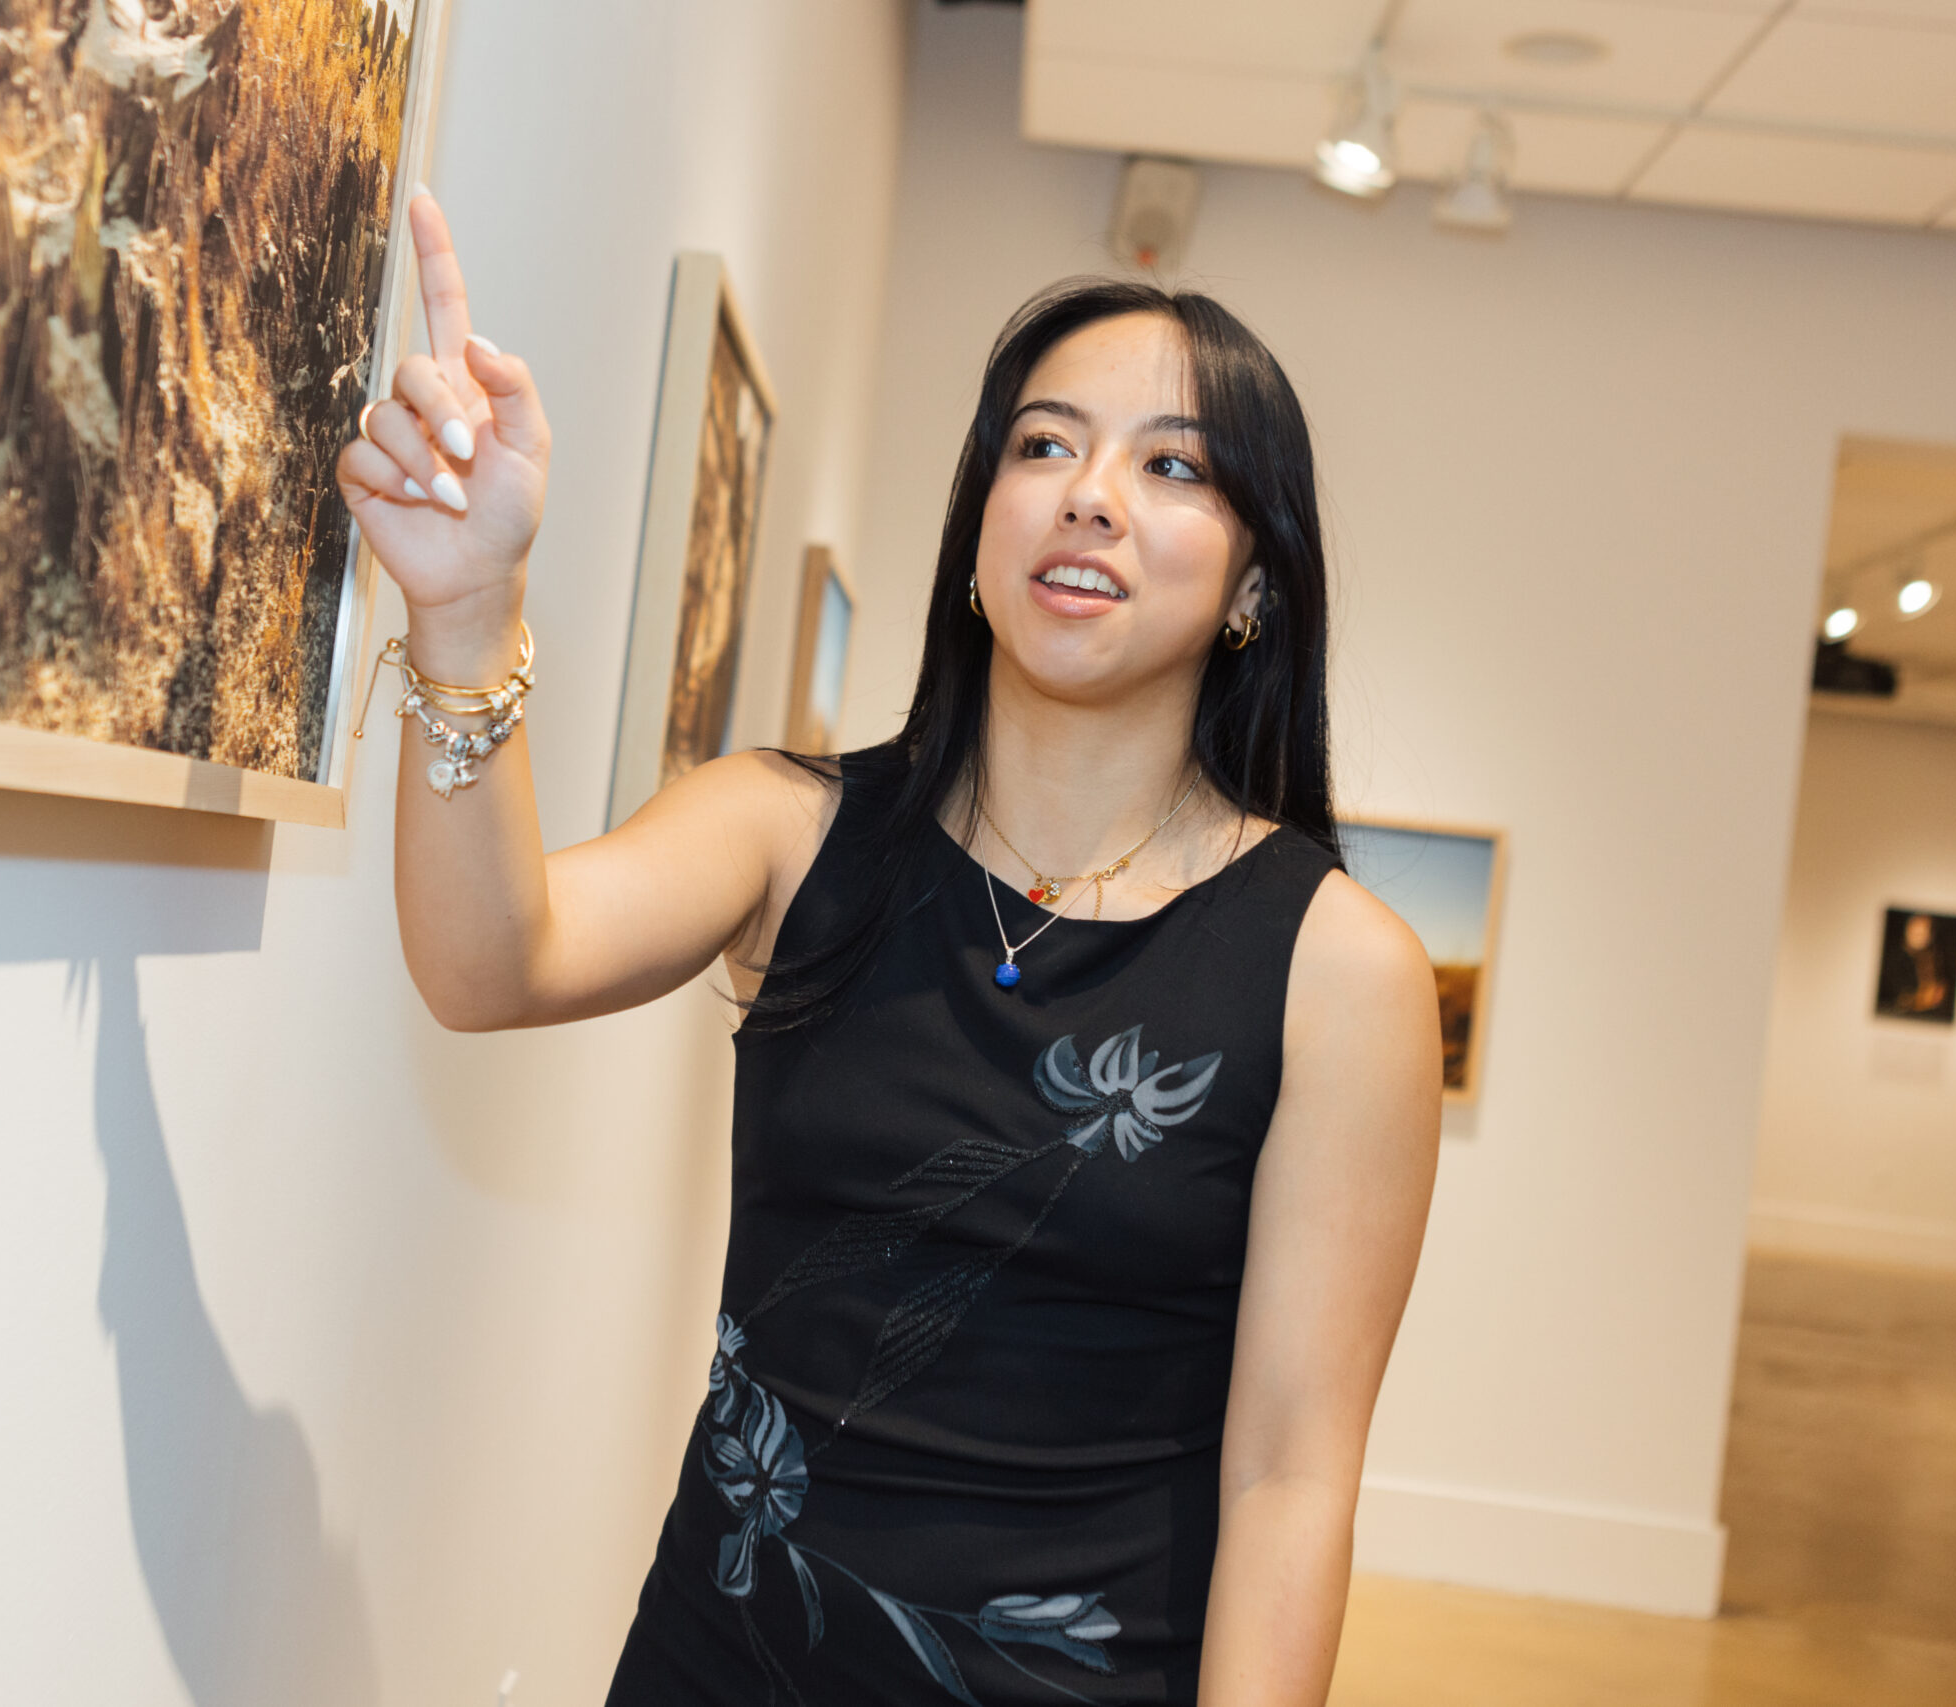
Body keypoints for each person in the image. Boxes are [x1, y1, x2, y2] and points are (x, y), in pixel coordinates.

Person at [340, 191, 1442, 1707]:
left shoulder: (1336, 971)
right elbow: (490, 964)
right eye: (1044, 445)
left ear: (1255, 583)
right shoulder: (788, 830)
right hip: (720, 1666)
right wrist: (468, 613)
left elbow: (1290, 1478)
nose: (1090, 496)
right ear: (979, 526)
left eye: (1173, 466)